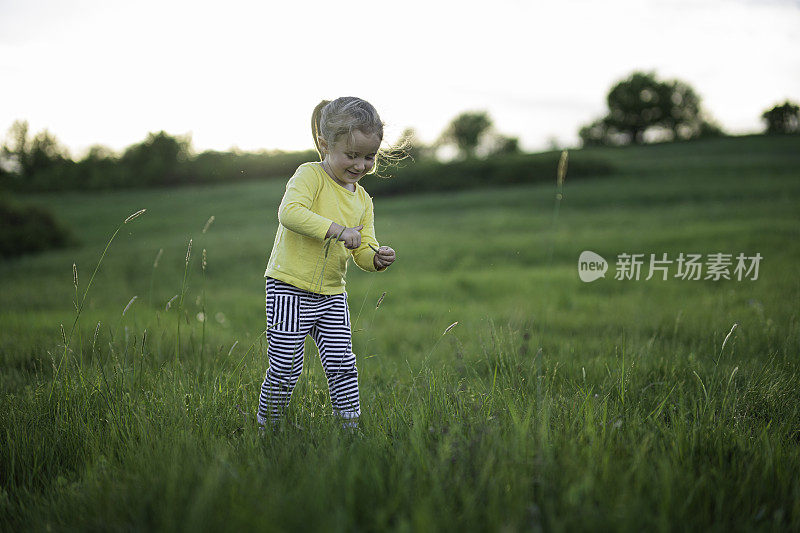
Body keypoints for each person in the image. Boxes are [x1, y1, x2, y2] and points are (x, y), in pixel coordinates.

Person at [257, 97, 396, 430]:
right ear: (325, 144)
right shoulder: (310, 176)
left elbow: (362, 246)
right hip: (289, 287)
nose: (361, 165)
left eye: (369, 156)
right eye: (351, 155)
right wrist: (336, 231)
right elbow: (289, 213)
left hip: (332, 294)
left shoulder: (362, 199)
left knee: (342, 364)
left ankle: (349, 428)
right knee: (286, 366)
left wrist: (376, 258)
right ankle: (269, 428)